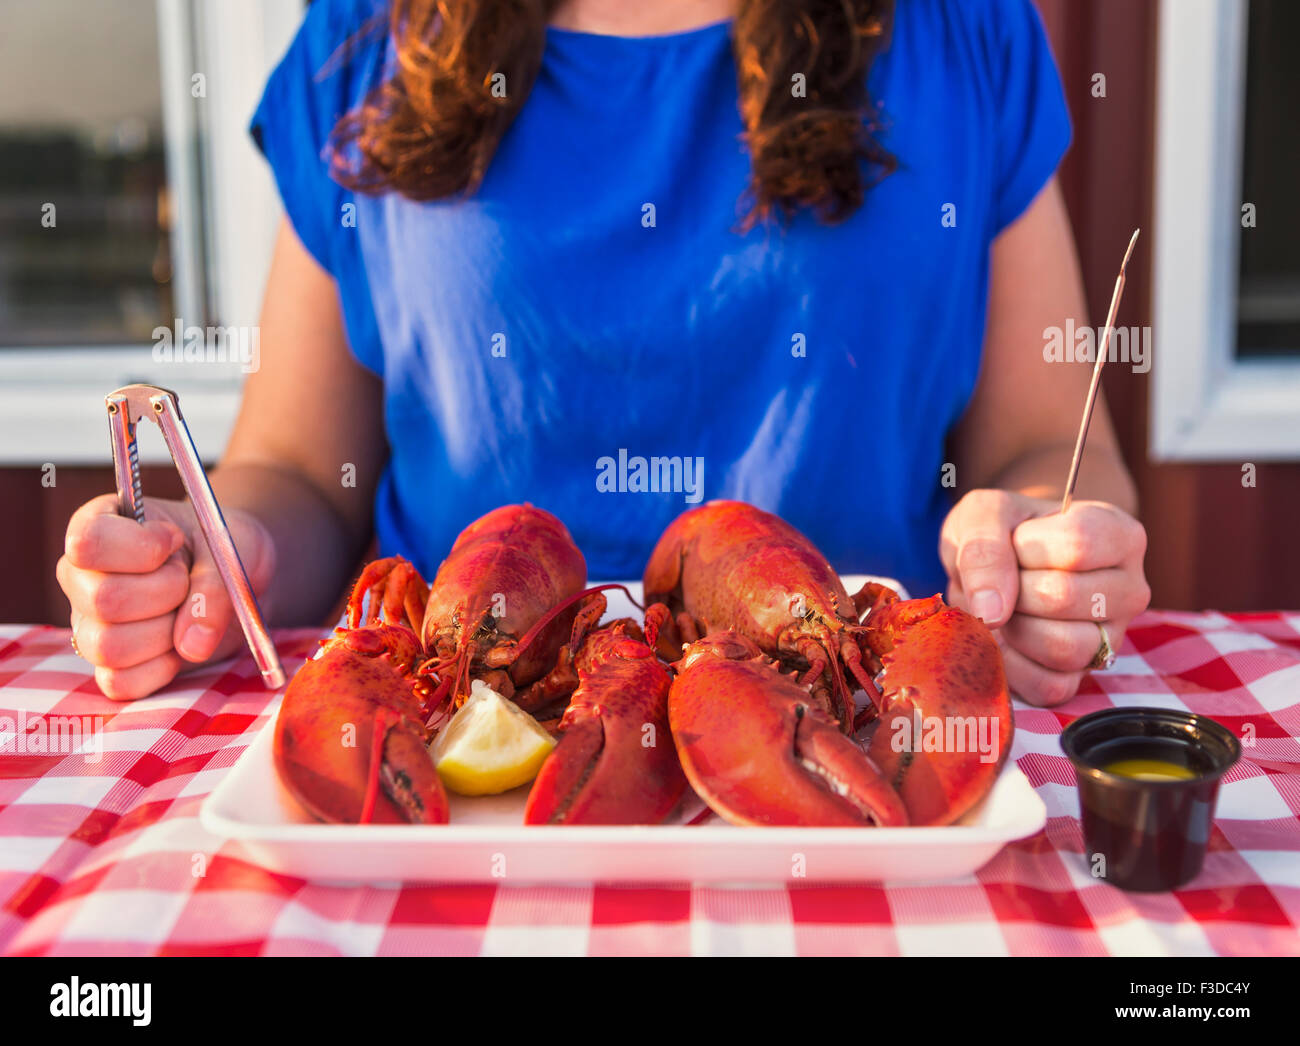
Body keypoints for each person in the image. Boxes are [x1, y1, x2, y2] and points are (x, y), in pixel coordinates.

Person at [56, 0, 1150, 707]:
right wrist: (214, 548)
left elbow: (1052, 440)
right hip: (461, 731)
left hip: (861, 716)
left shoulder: (964, 28)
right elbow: (298, 467)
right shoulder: (358, 40)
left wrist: (1046, 551)